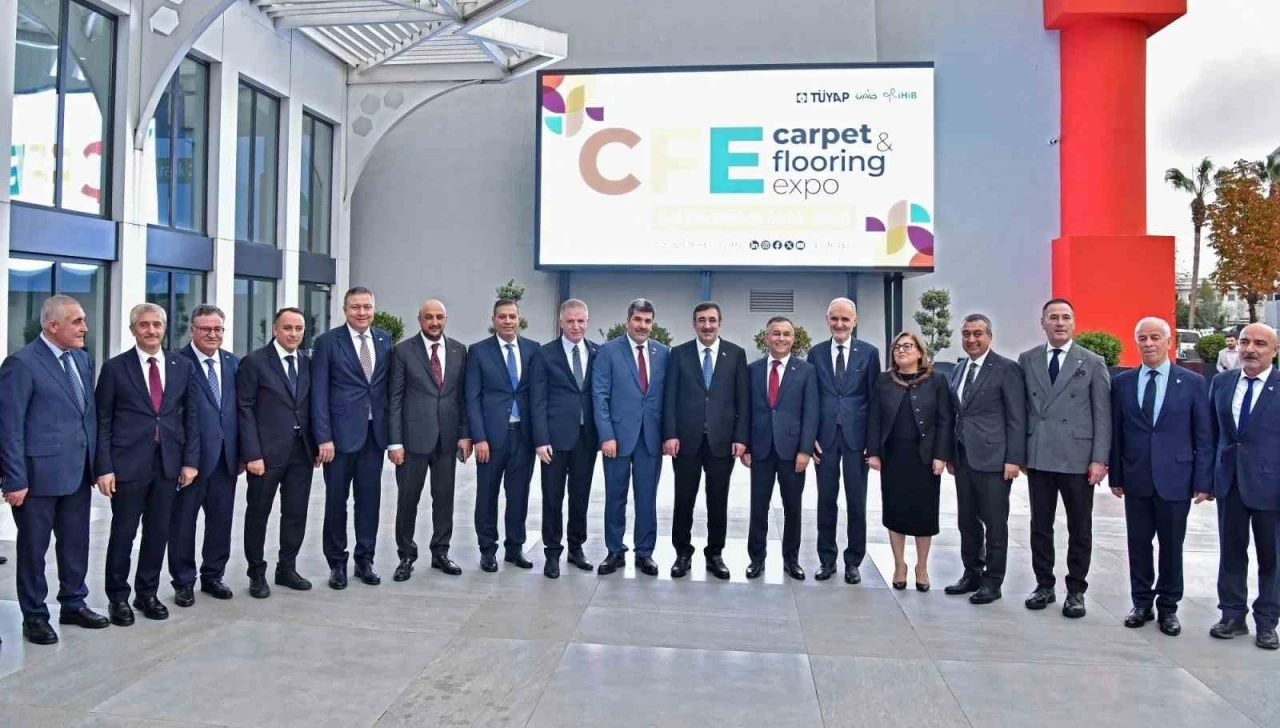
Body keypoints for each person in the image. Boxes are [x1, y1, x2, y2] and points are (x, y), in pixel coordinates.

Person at [0, 295, 110, 645]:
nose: (85, 327)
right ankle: (34, 615)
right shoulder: (21, 364)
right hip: (37, 479)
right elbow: (9, 427)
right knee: (34, 550)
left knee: (76, 543)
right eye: (77, 321)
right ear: (52, 326)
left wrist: (98, 466)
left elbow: (88, 417)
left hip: (77, 473)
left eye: (83, 320)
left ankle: (73, 604)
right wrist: (14, 479)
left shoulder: (82, 359)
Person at [95, 303, 201, 625]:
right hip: (127, 465)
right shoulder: (115, 368)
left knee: (158, 532)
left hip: (168, 464)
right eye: (144, 325)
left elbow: (191, 416)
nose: (151, 330)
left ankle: (147, 593)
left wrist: (190, 461)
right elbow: (102, 421)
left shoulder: (181, 366)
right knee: (123, 533)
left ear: (164, 328)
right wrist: (104, 467)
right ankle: (117, 598)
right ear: (133, 330)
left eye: (157, 324)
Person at [1109, 317, 1212, 637]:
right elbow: (1117, 432)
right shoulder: (1123, 383)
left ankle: (1168, 607)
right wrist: (1116, 475)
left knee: (1171, 547)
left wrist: (1203, 481)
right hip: (1136, 476)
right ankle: (1141, 603)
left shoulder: (1192, 383)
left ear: (1169, 342)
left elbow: (1203, 435)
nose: (1149, 343)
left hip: (1176, 479)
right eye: (1143, 338)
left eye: (1155, 337)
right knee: (1138, 545)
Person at [1018, 298, 1111, 618]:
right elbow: (1021, 411)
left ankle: (1076, 590)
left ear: (1074, 323)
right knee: (1040, 525)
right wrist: (1020, 453)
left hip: (1078, 457)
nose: (1059, 323)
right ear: (1042, 323)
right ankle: (1044, 584)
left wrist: (1099, 458)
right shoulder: (1028, 359)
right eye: (1053, 317)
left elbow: (1102, 415)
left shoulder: (1092, 362)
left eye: (1066, 317)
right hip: (1040, 454)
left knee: (1079, 527)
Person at [311, 286, 393, 589]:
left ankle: (364, 560)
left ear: (373, 309)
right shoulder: (327, 343)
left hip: (374, 435)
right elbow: (319, 393)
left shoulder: (384, 339)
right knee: (337, 501)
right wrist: (323, 437)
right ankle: (337, 563)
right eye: (356, 307)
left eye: (367, 307)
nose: (362, 312)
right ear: (345, 310)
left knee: (369, 501)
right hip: (339, 439)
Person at [662, 301, 749, 580]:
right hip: (685, 441)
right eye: (702, 320)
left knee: (718, 500)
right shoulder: (679, 354)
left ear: (719, 323)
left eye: (712, 320)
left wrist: (741, 437)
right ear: (694, 324)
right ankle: (682, 553)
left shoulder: (735, 354)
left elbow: (743, 401)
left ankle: (715, 554)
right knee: (683, 500)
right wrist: (670, 434)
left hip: (722, 442)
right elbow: (669, 398)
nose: (707, 325)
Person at [1207, 323, 1280, 650]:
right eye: (1245, 342)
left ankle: (1267, 622)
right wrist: (1208, 479)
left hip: (1271, 487)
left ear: (1275, 351)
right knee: (1231, 552)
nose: (1250, 349)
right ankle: (1232, 615)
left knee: (1272, 557)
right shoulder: (1221, 383)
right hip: (1230, 483)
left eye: (1260, 344)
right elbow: (1211, 435)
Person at [944, 314, 1026, 604]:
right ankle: (972, 573)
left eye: (978, 333)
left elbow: (1017, 417)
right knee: (967, 520)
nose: (971, 339)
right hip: (963, 457)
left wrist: (1014, 459)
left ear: (989, 336)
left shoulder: (1006, 369)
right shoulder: (959, 369)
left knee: (994, 522)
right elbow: (957, 413)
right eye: (966, 334)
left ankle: (993, 580)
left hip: (994, 459)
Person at [388, 299, 471, 581]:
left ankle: (440, 552)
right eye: (428, 317)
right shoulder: (403, 351)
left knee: (444, 499)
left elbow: (463, 396)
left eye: (439, 317)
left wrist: (465, 434)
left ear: (446, 319)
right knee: (408, 500)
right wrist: (395, 442)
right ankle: (406, 556)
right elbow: (395, 399)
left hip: (447, 439)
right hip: (412, 441)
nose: (434, 322)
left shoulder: (459, 350)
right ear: (419, 319)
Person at [238, 308, 318, 599]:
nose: (293, 334)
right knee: (258, 513)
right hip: (265, 454)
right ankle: (256, 572)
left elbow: (313, 405)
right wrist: (252, 454)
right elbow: (244, 409)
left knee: (296, 512)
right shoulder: (254, 362)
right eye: (287, 328)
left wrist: (317, 443)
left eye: (298, 328)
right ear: (275, 329)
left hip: (301, 451)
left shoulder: (308, 362)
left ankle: (287, 568)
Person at [867, 331, 954, 592]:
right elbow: (874, 417)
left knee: (924, 514)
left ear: (919, 352)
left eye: (907, 346)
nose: (901, 350)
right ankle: (899, 565)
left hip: (924, 458)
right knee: (895, 511)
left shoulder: (937, 380)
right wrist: (873, 452)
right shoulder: (884, 380)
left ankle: (922, 567)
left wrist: (941, 455)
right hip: (893, 456)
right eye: (897, 347)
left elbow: (945, 420)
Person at [593, 298, 669, 576]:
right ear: (628, 321)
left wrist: (668, 435)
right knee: (616, 497)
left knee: (647, 499)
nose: (642, 325)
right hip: (617, 438)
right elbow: (599, 395)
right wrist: (606, 435)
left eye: (647, 321)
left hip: (651, 438)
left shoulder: (664, 353)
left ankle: (645, 553)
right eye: (638, 319)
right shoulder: (608, 351)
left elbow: (668, 398)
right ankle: (615, 551)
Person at [170, 304, 240, 606]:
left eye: (217, 329)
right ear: (192, 330)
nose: (212, 334)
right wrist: (186, 460)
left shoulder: (233, 362)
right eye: (205, 329)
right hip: (191, 462)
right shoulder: (176, 363)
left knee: (220, 522)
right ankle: (183, 582)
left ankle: (213, 576)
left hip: (226, 459)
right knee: (183, 524)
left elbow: (238, 410)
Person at [808, 297, 879, 584]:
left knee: (856, 501)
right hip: (824, 439)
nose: (839, 324)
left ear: (855, 321)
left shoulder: (869, 353)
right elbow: (810, 399)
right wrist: (809, 438)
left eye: (845, 319)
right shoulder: (815, 353)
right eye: (834, 318)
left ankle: (853, 561)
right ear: (827, 320)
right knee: (826, 500)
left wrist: (872, 442)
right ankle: (827, 559)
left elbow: (875, 400)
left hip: (856, 440)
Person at [466, 298, 539, 572]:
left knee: (519, 495)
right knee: (487, 495)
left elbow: (537, 395)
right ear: (494, 320)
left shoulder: (533, 349)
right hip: (491, 438)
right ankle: (487, 550)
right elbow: (472, 397)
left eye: (512, 316)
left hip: (523, 436)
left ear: (519, 319)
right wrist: (479, 437)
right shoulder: (478, 351)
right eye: (502, 316)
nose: (508, 321)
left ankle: (515, 548)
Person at [744, 316, 818, 581]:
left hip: (792, 451)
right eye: (776, 333)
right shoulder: (752, 370)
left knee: (793, 508)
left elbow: (811, 412)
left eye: (786, 334)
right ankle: (756, 559)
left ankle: (791, 559)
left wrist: (805, 450)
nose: (781, 338)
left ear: (793, 339)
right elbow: (745, 410)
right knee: (758, 507)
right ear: (767, 338)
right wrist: (746, 445)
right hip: (760, 449)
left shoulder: (806, 371)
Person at [531, 299, 600, 578]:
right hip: (554, 441)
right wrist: (541, 439)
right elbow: (537, 400)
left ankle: (576, 548)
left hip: (586, 438)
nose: (576, 326)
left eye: (580, 321)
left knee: (580, 496)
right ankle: (552, 552)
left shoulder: (597, 352)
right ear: (561, 322)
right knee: (552, 497)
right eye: (570, 321)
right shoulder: (545, 354)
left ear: (587, 322)